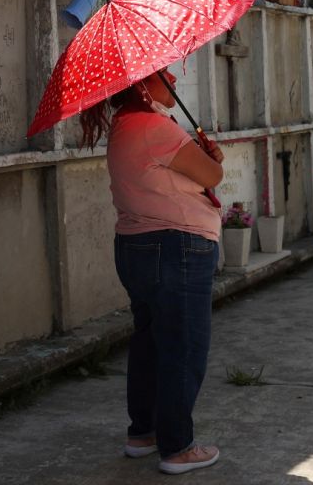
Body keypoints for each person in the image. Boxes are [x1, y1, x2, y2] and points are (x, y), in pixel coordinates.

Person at [80, 67, 224, 475]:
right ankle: (177, 447)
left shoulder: (125, 126)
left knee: (150, 343)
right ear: (143, 85)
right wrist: (210, 157)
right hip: (176, 246)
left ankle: (143, 433)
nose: (175, 83)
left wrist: (200, 153)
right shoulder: (154, 128)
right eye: (165, 76)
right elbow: (212, 176)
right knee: (183, 345)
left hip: (137, 246)